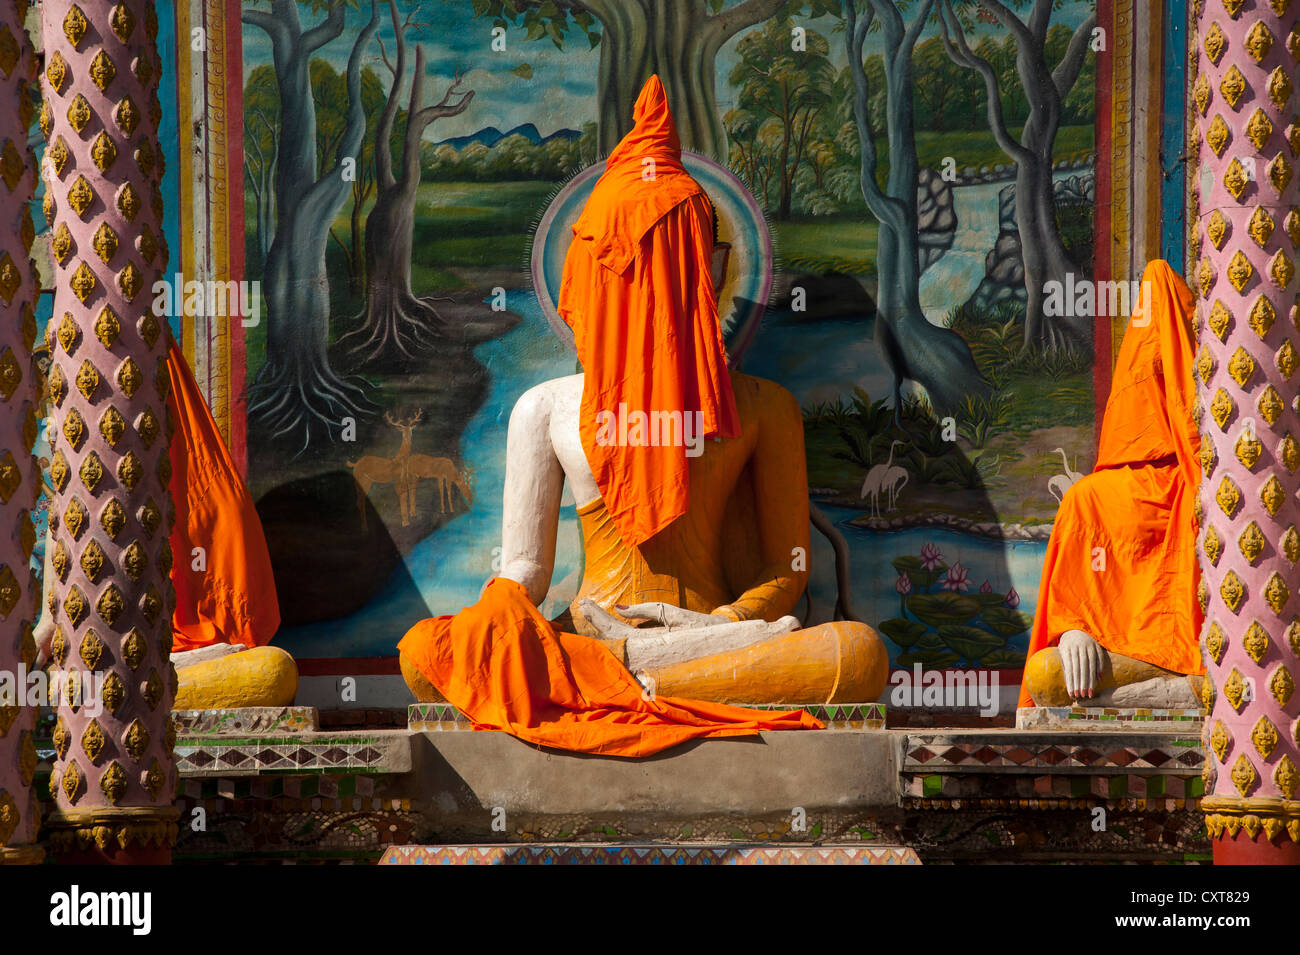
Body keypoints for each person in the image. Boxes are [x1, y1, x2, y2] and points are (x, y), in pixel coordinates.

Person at [397, 76, 886, 757]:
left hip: (716, 632)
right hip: (593, 634)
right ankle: (633, 675)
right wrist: (499, 615)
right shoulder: (545, 409)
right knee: (426, 652)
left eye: (676, 258)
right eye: (638, 263)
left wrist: (718, 620)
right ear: (592, 271)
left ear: (712, 268)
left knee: (858, 654)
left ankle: (634, 679)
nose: (658, 281)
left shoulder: (764, 407)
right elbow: (525, 573)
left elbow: (788, 568)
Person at [1019, 260, 1205, 709]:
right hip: (1112, 666)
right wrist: (1074, 631)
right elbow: (1065, 605)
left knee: (1223, 683)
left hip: (1193, 672)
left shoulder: (1207, 490)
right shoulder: (1089, 499)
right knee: (1049, 675)